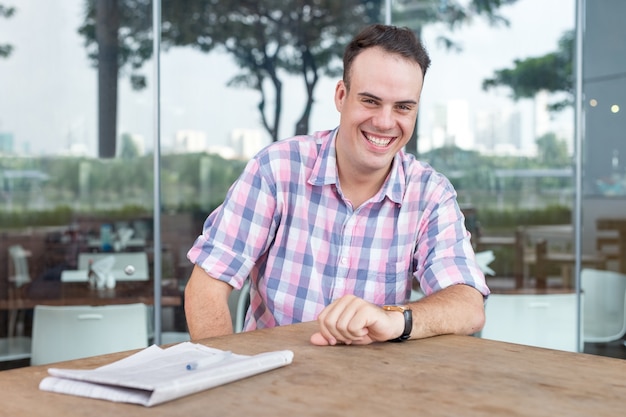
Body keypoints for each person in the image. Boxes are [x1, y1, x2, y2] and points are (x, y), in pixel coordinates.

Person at [185, 23, 490, 346]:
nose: (385, 122)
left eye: (403, 107)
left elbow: (468, 306)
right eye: (371, 101)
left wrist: (395, 318)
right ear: (341, 96)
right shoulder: (277, 169)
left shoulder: (430, 193)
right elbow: (206, 288)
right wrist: (225, 374)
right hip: (271, 382)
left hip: (377, 385)